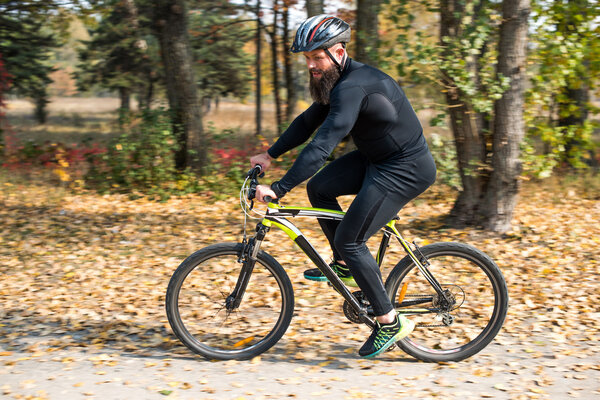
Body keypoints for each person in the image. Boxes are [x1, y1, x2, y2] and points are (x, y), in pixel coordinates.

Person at [250, 14, 437, 358]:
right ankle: (348, 266)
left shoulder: (353, 86)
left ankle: (390, 321)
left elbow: (321, 146)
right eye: (307, 58)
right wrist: (270, 153)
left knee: (352, 239)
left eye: (317, 57)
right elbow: (308, 122)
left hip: (405, 168)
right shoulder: (338, 79)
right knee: (320, 188)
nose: (311, 65)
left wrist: (279, 188)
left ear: (338, 52)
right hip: (375, 159)